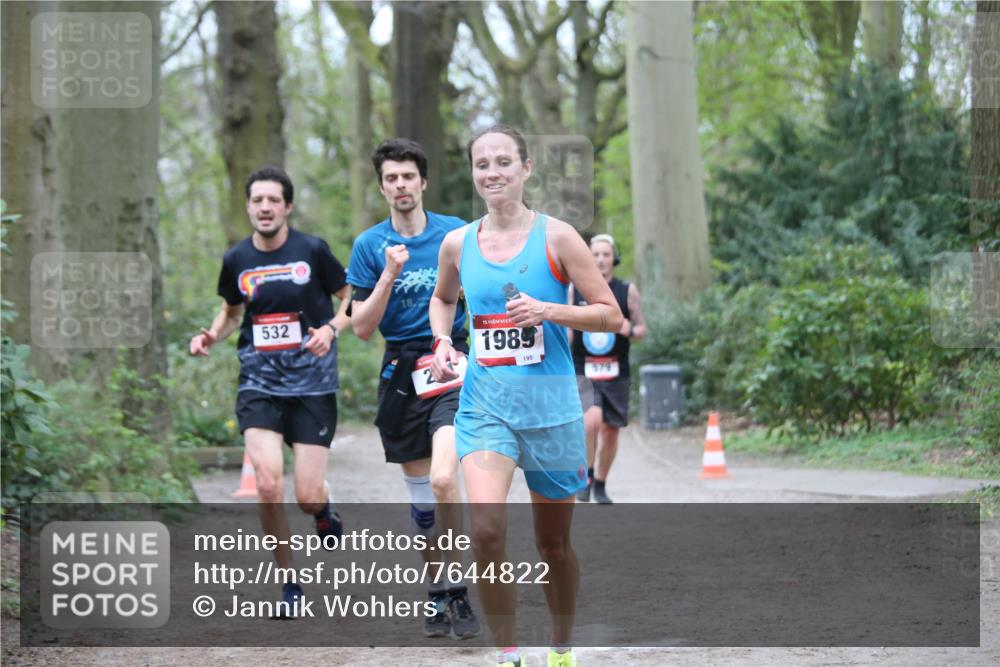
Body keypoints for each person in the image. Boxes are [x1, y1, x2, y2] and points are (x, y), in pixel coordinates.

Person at [429, 125, 623, 667]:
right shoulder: (458, 243)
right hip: (485, 405)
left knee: (552, 546)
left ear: (526, 168)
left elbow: (610, 313)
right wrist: (443, 340)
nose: (492, 173)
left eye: (503, 162)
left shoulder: (558, 237)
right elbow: (443, 300)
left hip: (551, 410)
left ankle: (561, 649)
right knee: (487, 532)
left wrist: (549, 310)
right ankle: (508, 651)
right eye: (482, 164)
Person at [189, 166, 350, 614]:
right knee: (265, 484)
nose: (264, 207)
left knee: (306, 495)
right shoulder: (236, 258)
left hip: (312, 386)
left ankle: (322, 511)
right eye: (257, 200)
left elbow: (351, 297)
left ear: (287, 207)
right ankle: (289, 583)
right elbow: (231, 312)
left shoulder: (312, 250)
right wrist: (209, 336)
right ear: (248, 206)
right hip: (258, 383)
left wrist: (332, 330)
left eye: (273, 200)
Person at [346, 138, 480, 639]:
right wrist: (388, 275)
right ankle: (437, 590)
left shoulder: (456, 234)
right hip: (401, 371)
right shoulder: (368, 245)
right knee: (423, 500)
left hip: (451, 360)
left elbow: (481, 286)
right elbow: (360, 327)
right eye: (391, 179)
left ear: (422, 182)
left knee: (447, 480)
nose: (400, 185)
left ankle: (460, 588)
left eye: (408, 176)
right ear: (382, 188)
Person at [571, 234, 647, 505]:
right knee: (590, 422)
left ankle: (601, 484)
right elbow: (567, 329)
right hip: (583, 368)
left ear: (613, 258)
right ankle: (587, 477)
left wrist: (630, 329)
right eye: (595, 255)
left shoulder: (627, 290)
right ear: (588, 258)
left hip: (616, 371)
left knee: (611, 431)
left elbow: (641, 329)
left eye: (605, 254)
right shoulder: (576, 289)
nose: (601, 259)